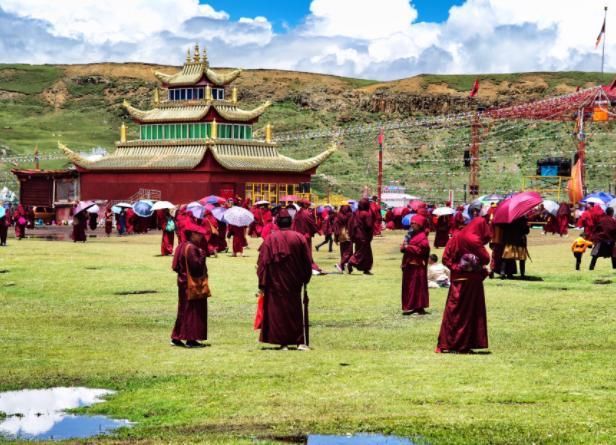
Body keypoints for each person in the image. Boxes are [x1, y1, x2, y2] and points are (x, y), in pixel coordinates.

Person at [257, 208, 312, 350]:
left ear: (277, 223)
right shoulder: (299, 238)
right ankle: (299, 341)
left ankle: (284, 343)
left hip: (276, 282)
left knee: (279, 311)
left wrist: (262, 282)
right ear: (291, 222)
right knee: (295, 309)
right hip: (294, 280)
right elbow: (307, 261)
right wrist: (306, 277)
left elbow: (262, 263)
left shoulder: (270, 239)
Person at [436, 217, 491, 354]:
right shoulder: (474, 239)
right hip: (471, 282)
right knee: (469, 313)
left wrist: (456, 268)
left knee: (453, 311)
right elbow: (485, 259)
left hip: (457, 281)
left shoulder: (456, 236)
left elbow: (445, 258)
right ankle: (463, 344)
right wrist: (469, 267)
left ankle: (447, 342)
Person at [171, 219, 209, 348]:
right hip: (191, 284)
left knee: (183, 309)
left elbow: (175, 266)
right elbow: (197, 267)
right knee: (193, 311)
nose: (201, 237)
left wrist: (182, 274)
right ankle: (191, 339)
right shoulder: (192, 248)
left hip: (182, 283)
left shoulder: (181, 246)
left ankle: (176, 337)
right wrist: (203, 255)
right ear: (192, 234)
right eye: (199, 234)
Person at [400, 214, 430, 315]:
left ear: (420, 225)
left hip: (417, 265)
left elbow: (422, 250)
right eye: (411, 223)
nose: (412, 225)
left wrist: (409, 247)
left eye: (414, 223)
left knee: (417, 286)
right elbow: (406, 245)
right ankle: (409, 305)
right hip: (409, 264)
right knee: (409, 286)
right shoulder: (410, 234)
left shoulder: (422, 237)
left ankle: (418, 306)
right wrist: (404, 247)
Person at [347, 198, 374, 275]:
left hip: (356, 235)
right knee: (361, 252)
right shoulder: (366, 214)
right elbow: (368, 225)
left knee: (365, 253)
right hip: (363, 236)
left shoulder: (355, 213)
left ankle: (365, 269)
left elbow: (350, 223)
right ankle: (350, 262)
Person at [333, 204, 353, 273]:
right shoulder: (350, 215)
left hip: (340, 235)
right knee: (349, 252)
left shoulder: (338, 215)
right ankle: (341, 265)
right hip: (348, 234)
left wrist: (336, 237)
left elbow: (335, 226)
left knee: (343, 252)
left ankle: (347, 268)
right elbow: (352, 225)